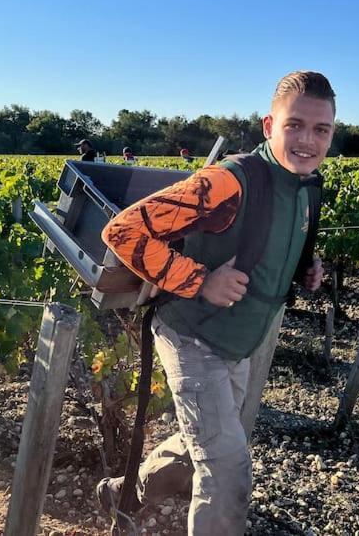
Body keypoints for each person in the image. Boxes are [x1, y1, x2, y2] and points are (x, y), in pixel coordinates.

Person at [97, 71, 335, 535]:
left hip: (236, 344)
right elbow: (123, 231)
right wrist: (200, 280)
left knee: (197, 448)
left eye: (321, 129)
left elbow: (274, 241)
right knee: (227, 471)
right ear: (269, 126)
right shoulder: (229, 181)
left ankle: (121, 493)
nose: (308, 140)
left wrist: (307, 268)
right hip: (192, 335)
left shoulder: (307, 187)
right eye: (295, 125)